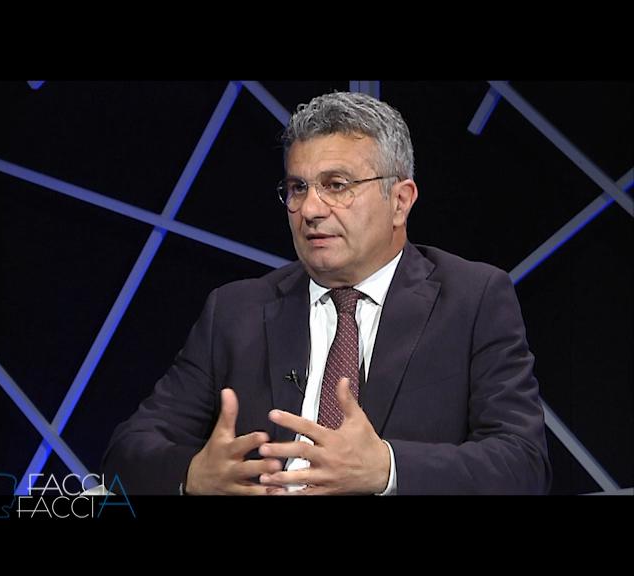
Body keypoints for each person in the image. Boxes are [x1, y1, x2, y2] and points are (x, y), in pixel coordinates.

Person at [101, 91, 551, 495]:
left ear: (400, 201)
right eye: (298, 188)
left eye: (337, 185)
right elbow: (128, 450)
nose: (311, 209)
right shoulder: (236, 311)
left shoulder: (473, 299)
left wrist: (388, 469)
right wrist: (194, 475)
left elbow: (523, 463)